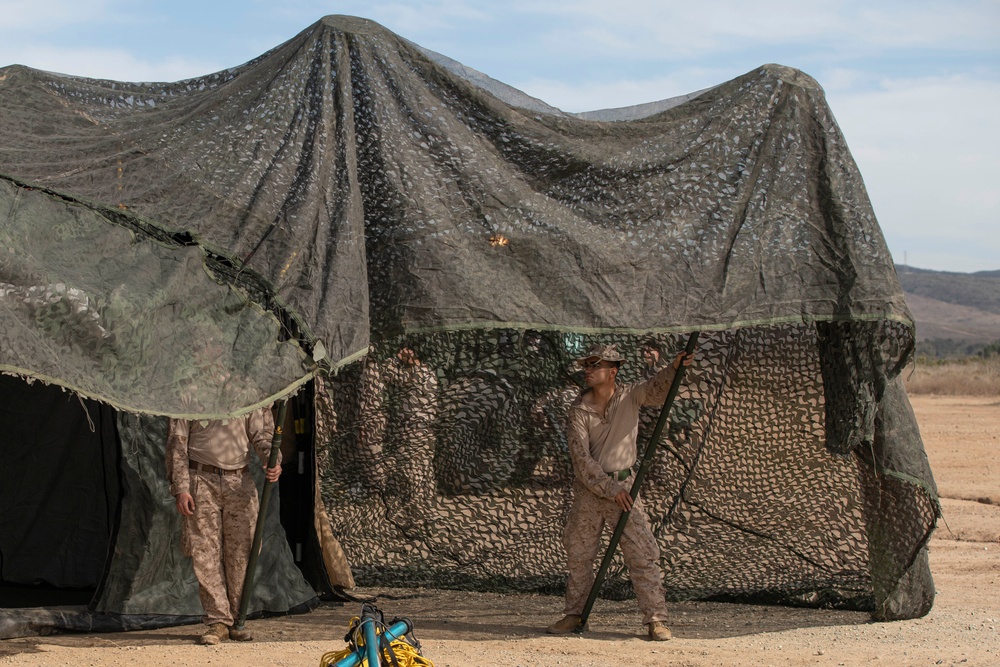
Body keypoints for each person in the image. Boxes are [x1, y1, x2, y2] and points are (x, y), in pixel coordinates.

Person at [546, 343, 694, 641]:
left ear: (612, 372)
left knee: (642, 553)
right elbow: (581, 460)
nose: (588, 371)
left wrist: (675, 368)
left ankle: (656, 620)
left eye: (594, 366)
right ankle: (575, 614)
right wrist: (609, 489)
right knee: (579, 554)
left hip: (625, 488)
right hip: (591, 492)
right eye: (587, 366)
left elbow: (658, 389)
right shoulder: (579, 409)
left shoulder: (631, 395)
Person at [166, 408, 282, 645]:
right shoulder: (188, 392)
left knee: (242, 552)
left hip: (238, 481)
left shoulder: (247, 391)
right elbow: (177, 443)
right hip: (200, 478)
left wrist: (272, 459)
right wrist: (181, 487)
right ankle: (218, 621)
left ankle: (238, 620)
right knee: (205, 552)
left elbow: (262, 433)